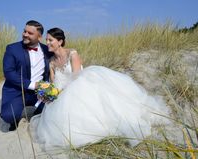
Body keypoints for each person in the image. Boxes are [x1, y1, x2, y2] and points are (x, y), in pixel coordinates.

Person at [29, 27, 169, 151]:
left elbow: (76, 77)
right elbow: (53, 84)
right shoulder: (51, 62)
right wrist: (49, 93)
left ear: (60, 41)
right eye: (46, 40)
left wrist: (62, 92)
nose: (47, 43)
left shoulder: (72, 54)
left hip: (79, 87)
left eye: (50, 40)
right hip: (62, 93)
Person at [0, 20, 53, 131]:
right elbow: (9, 73)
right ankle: (15, 120)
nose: (25, 34)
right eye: (24, 31)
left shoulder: (47, 50)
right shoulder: (12, 49)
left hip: (40, 91)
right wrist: (33, 85)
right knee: (8, 115)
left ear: (39, 36)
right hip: (18, 90)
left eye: (30, 33)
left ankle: (36, 113)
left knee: (53, 110)